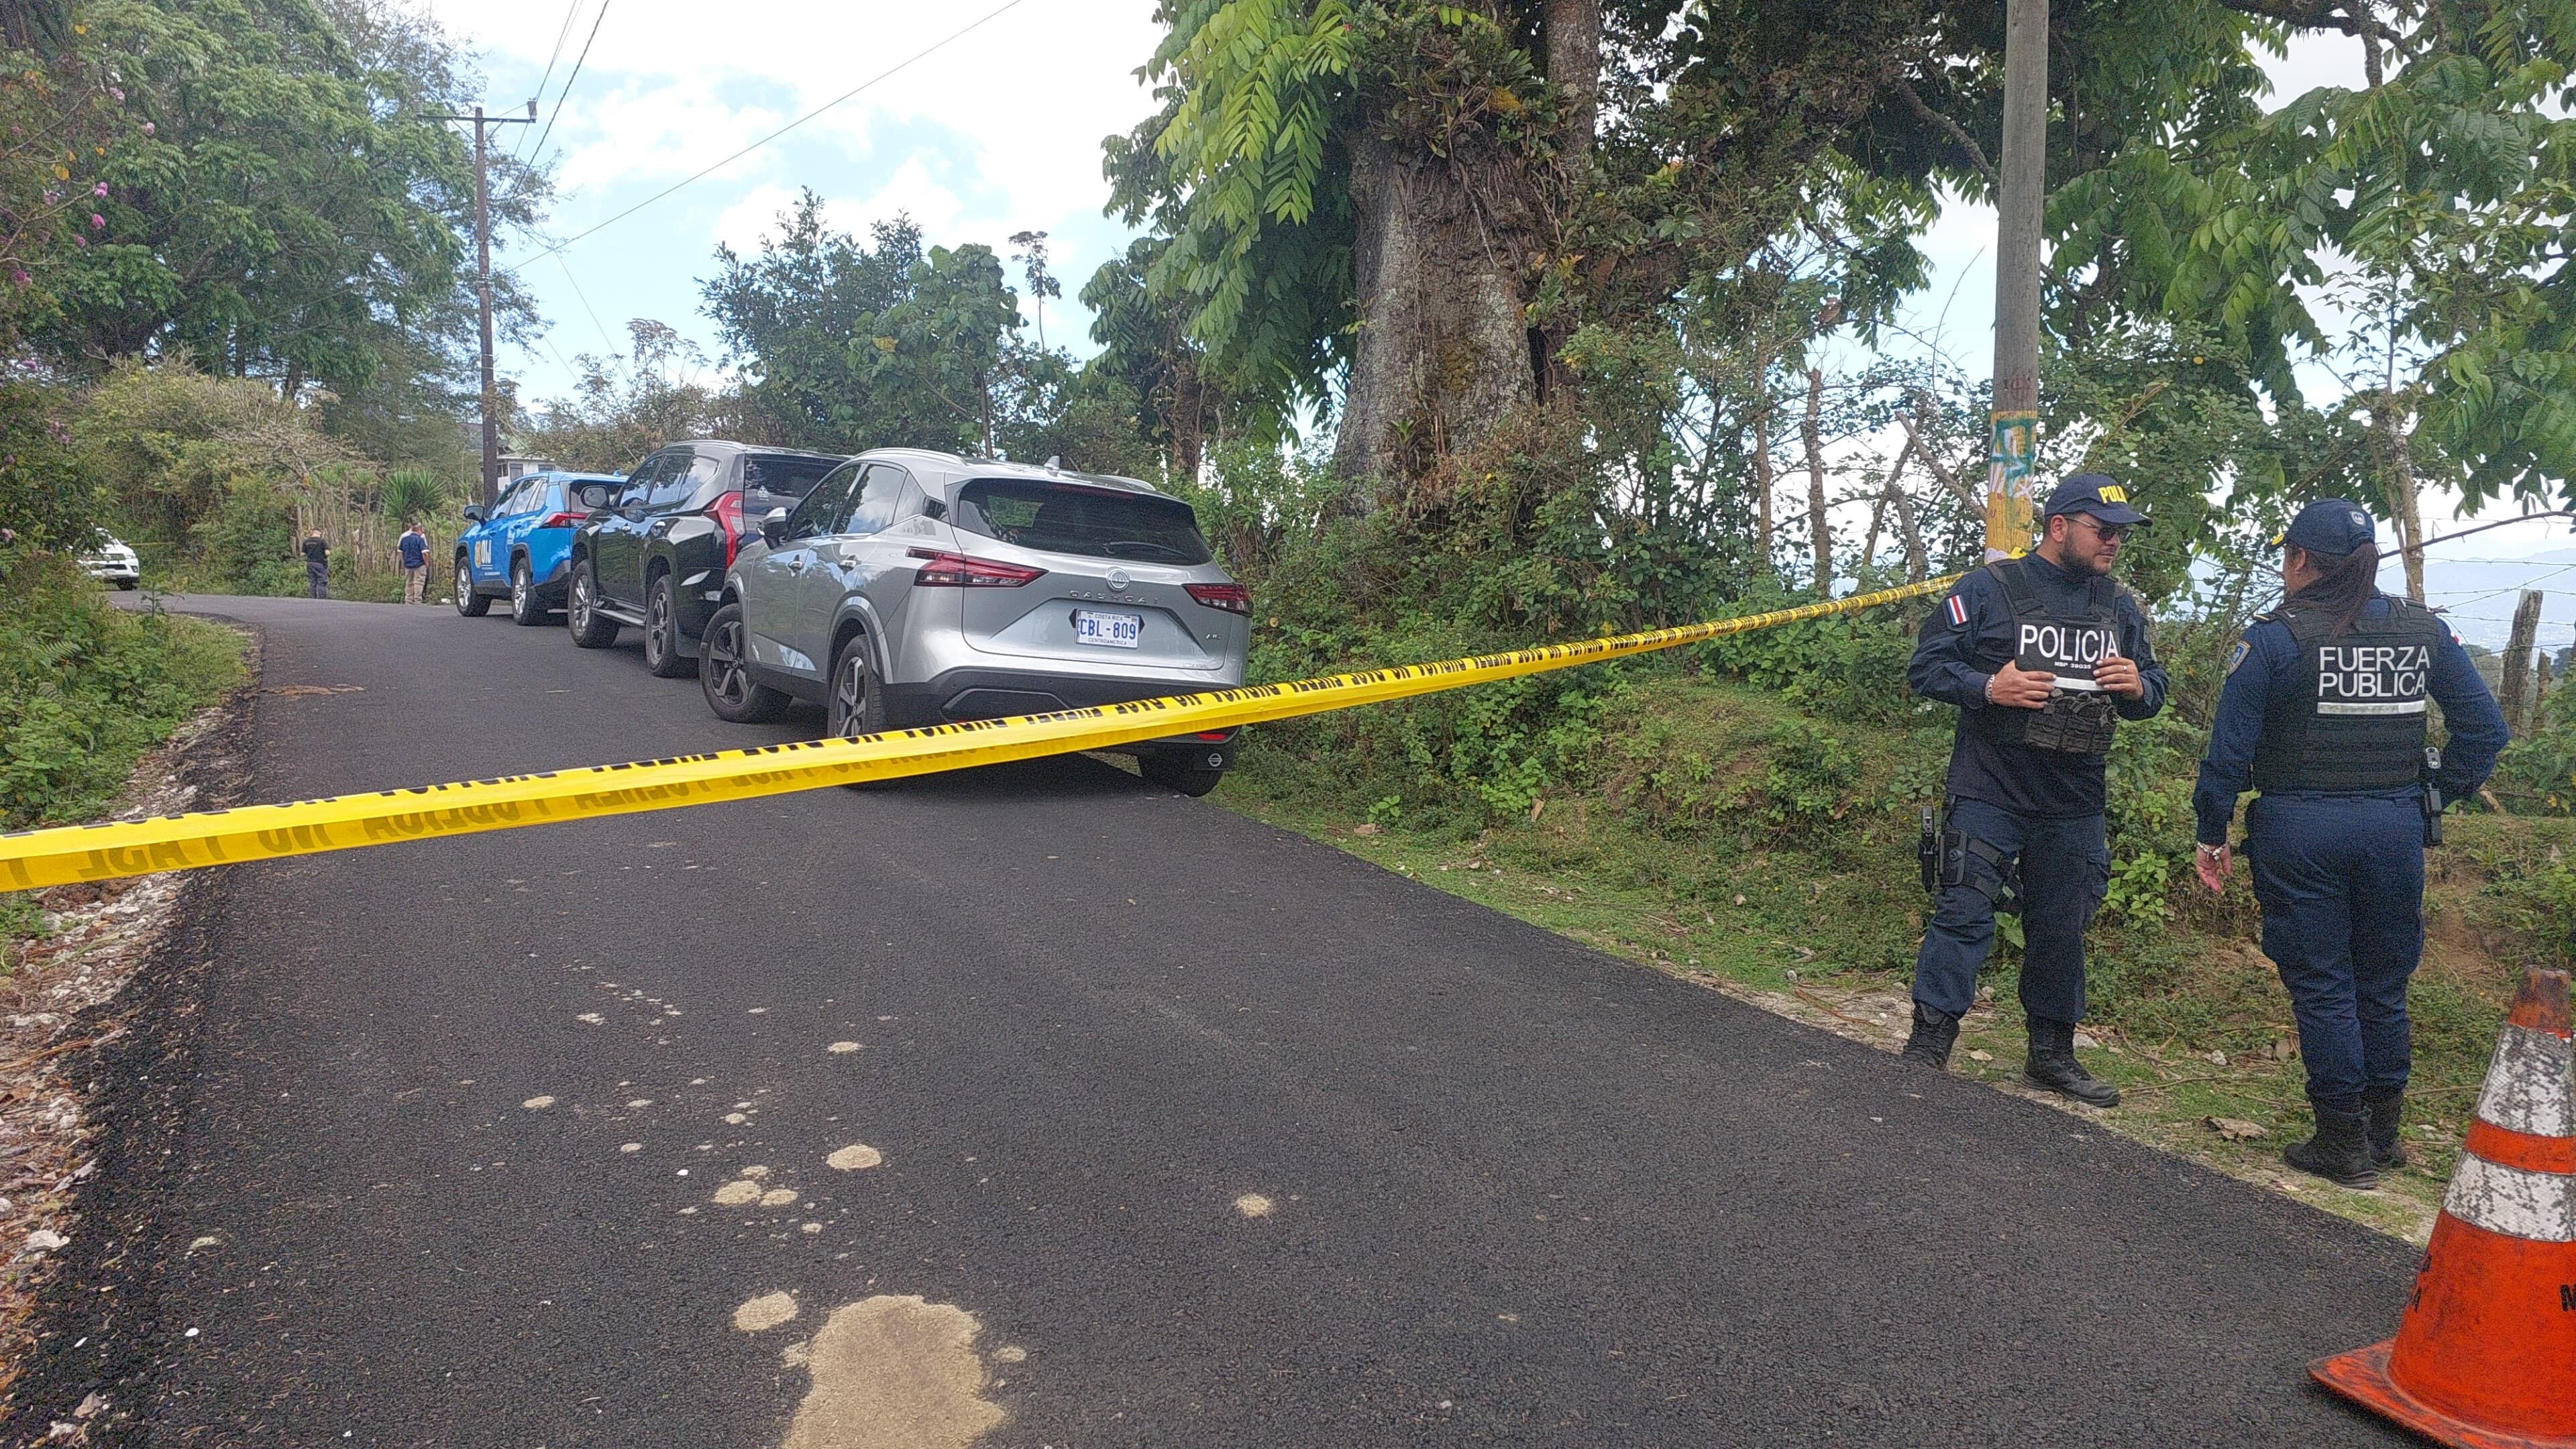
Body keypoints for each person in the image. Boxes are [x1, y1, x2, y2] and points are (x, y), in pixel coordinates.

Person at [2192, 499, 2507, 1188]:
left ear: (2300, 559)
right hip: (2393, 829)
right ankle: (2382, 1134)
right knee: (2383, 984)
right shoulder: (2424, 631)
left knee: (2324, 984)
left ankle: (2342, 1141)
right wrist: (2434, 795)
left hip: (2301, 829)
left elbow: (2228, 755)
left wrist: (2211, 832)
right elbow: (2487, 730)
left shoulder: (2275, 640)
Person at [1900, 473, 2170, 1106]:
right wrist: (1988, 687)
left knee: (2061, 928)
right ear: (2059, 527)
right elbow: (1927, 666)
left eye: (2121, 534)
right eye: (2103, 531)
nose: (2114, 543)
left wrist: (2139, 687)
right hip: (1991, 786)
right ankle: (1928, 1044)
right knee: (1964, 910)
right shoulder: (1988, 589)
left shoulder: (2120, 607)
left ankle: (2051, 1055)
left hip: (2074, 799)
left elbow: (2153, 689)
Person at [398, 521, 429, 604]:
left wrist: (404, 562)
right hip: (419, 564)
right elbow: (425, 553)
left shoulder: (404, 539)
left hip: (408, 564)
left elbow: (400, 552)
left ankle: (408, 600)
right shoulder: (420, 539)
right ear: (419, 530)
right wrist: (427, 564)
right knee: (419, 582)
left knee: (409, 582)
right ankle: (417, 600)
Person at [301, 529, 330, 599]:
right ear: (320, 533)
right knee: (322, 581)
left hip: (310, 564)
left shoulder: (306, 542)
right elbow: (327, 553)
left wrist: (310, 553)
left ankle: (312, 598)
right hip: (320, 563)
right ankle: (322, 598)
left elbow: (302, 554)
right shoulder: (322, 541)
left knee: (312, 581)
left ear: (312, 533)